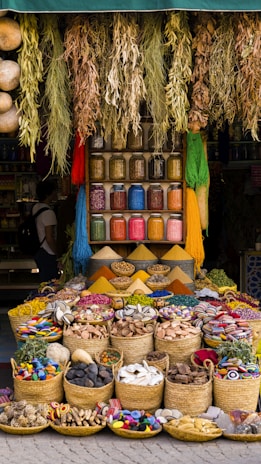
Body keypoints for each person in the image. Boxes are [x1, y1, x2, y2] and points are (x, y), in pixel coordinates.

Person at [32, 179, 60, 283]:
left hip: (39, 251)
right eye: (55, 191)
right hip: (48, 252)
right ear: (49, 193)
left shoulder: (36, 207)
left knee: (44, 281)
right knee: (51, 283)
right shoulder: (48, 213)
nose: (56, 193)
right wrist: (58, 254)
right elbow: (49, 238)